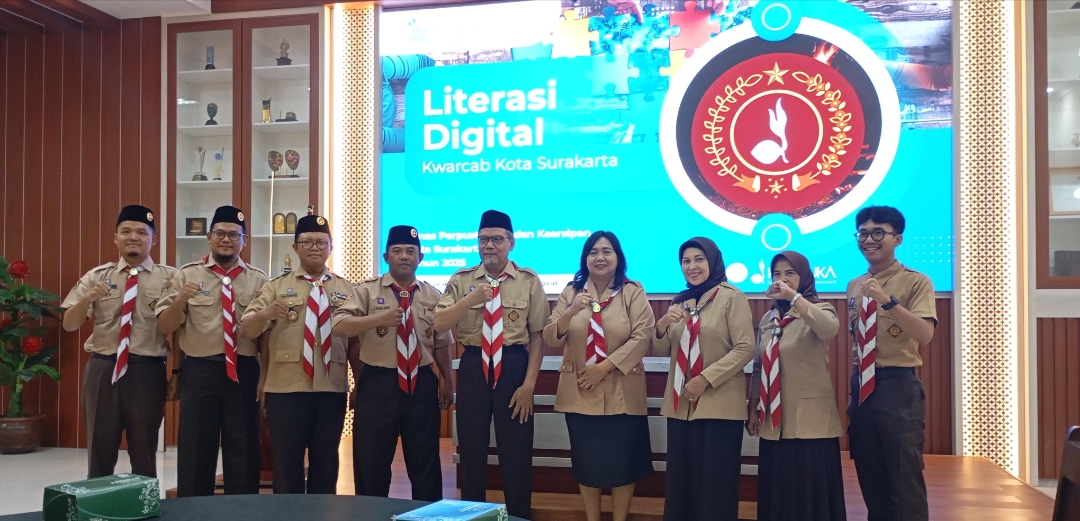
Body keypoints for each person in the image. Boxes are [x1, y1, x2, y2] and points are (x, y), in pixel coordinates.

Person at [434, 210, 549, 520]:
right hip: (473, 365)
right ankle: (474, 516)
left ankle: (518, 516)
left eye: (497, 239)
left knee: (516, 452)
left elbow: (538, 336)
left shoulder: (528, 280)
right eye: (483, 239)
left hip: (514, 366)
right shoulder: (462, 280)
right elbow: (439, 323)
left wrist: (528, 386)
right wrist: (469, 300)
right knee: (471, 451)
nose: (489, 246)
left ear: (511, 242)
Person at [332, 225, 455, 500]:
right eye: (397, 251)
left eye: (410, 251)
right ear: (386, 257)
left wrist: (448, 381)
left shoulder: (433, 295)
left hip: (421, 382)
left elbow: (441, 343)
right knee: (371, 462)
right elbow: (338, 325)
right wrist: (377, 319)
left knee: (425, 460)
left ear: (421, 257)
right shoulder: (366, 291)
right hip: (378, 383)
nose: (404, 256)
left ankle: (426, 516)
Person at [156, 206, 268, 496]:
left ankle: (240, 511)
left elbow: (267, 336)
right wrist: (181, 298)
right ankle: (194, 511)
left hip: (244, 370)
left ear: (245, 240)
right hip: (200, 369)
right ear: (209, 237)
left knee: (243, 446)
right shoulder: (187, 275)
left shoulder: (259, 280)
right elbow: (166, 325)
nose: (226, 239)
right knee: (195, 446)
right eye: (220, 233)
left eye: (234, 234)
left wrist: (265, 376)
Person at [238, 214, 353, 494]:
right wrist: (266, 313)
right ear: (295, 247)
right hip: (286, 389)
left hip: (331, 388)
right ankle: (288, 513)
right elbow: (247, 329)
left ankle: (321, 512)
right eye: (307, 242)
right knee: (287, 465)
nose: (314, 247)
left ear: (330, 247)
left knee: (326, 464)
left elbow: (357, 343)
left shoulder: (347, 289)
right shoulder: (275, 287)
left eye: (321, 242)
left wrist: (358, 384)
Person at [543, 231, 654, 521]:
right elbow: (551, 337)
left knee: (623, 466)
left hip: (622, 393)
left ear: (618, 257)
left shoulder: (632, 291)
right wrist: (570, 311)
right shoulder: (572, 291)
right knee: (587, 465)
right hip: (580, 392)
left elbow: (643, 337)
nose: (600, 257)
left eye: (607, 251)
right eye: (593, 252)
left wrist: (602, 368)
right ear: (585, 259)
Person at [60, 204, 175, 479]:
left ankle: (143, 501)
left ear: (153, 239)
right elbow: (69, 323)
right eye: (126, 231)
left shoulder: (170, 278)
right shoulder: (97, 276)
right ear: (115, 238)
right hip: (103, 370)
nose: (133, 237)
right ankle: (99, 501)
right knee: (99, 450)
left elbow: (181, 329)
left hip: (146, 371)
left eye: (141, 232)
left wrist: (178, 372)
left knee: (145, 451)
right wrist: (88, 298)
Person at [652, 237, 755, 521]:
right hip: (681, 407)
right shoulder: (681, 301)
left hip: (719, 405)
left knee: (715, 485)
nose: (692, 266)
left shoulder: (731, 297)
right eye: (686, 261)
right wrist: (661, 325)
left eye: (699, 259)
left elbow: (746, 347)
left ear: (713, 261)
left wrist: (705, 379)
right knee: (681, 481)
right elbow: (663, 350)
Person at [846, 206, 936, 521]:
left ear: (897, 238)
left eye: (878, 233)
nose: (869, 240)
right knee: (869, 475)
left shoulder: (916, 281)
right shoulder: (854, 285)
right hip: (862, 387)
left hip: (897, 386)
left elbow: (924, 333)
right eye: (863, 233)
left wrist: (887, 301)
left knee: (904, 477)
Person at [746, 251, 845, 521]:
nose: (782, 279)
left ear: (805, 277)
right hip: (773, 420)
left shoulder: (820, 308)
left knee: (808, 495)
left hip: (811, 424)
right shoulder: (768, 319)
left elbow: (828, 329)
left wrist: (793, 297)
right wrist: (753, 408)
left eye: (790, 273)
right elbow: (759, 366)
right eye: (777, 274)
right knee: (779, 492)